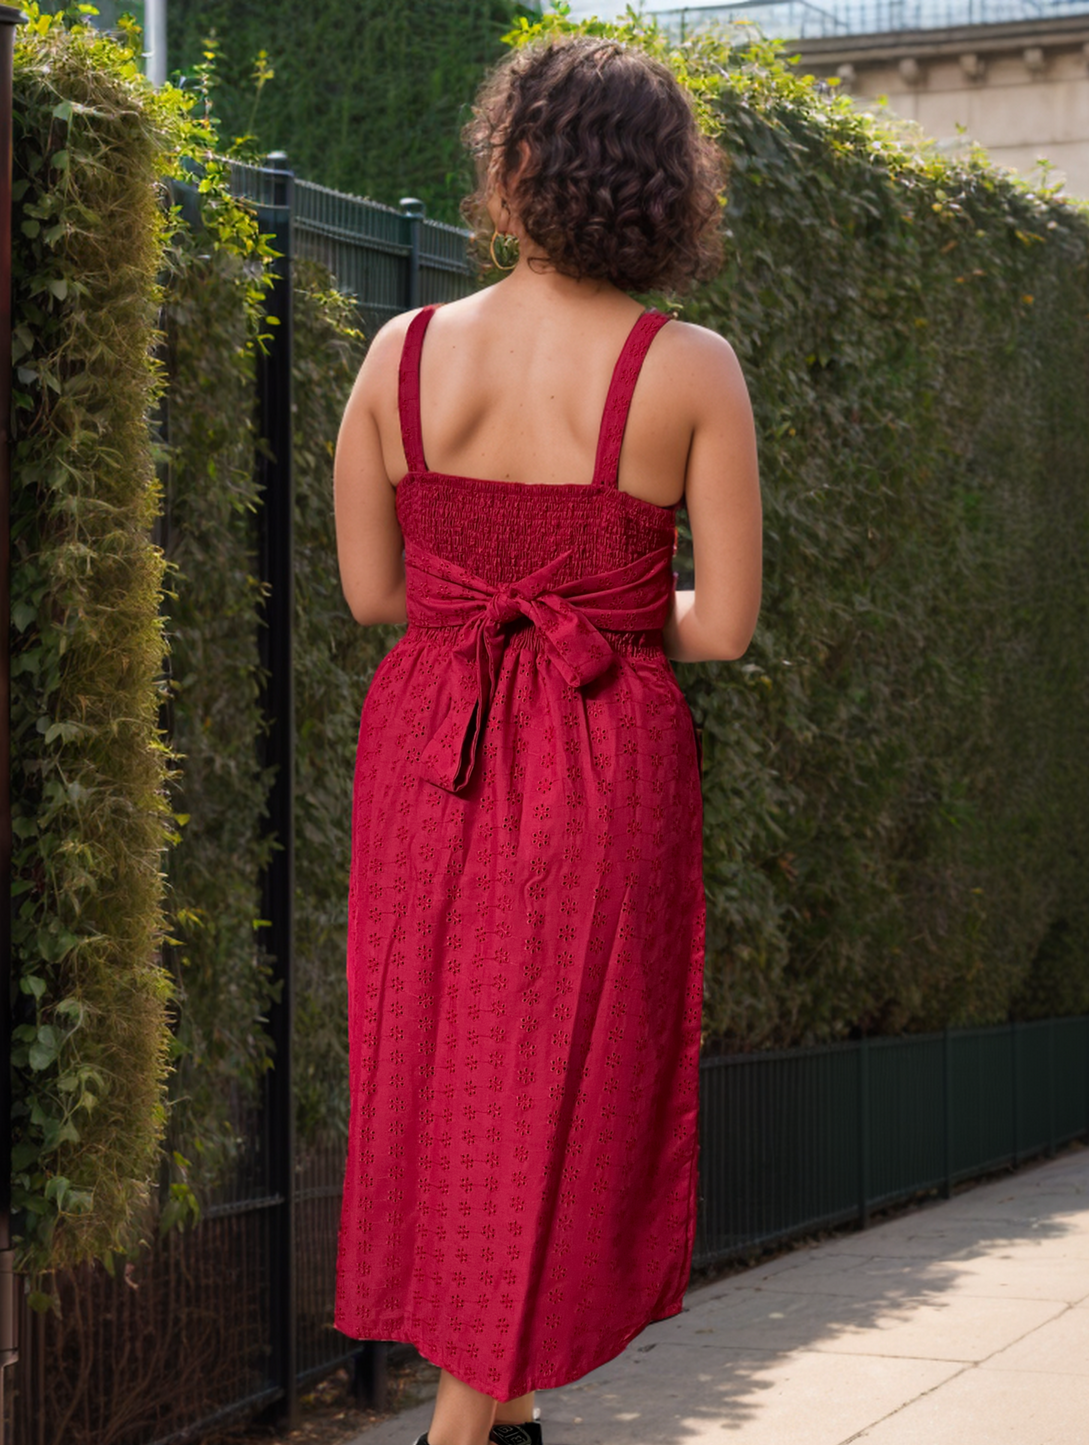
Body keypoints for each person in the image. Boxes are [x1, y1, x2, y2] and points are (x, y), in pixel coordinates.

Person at [331, 31, 763, 1445]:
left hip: (429, 742)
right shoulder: (689, 369)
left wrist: (491, 604)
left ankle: (500, 1414)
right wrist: (613, 595)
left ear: (509, 172)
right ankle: (469, 1424)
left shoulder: (399, 359)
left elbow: (375, 596)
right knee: (567, 1081)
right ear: (660, 194)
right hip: (598, 738)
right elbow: (722, 626)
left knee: (450, 1074)